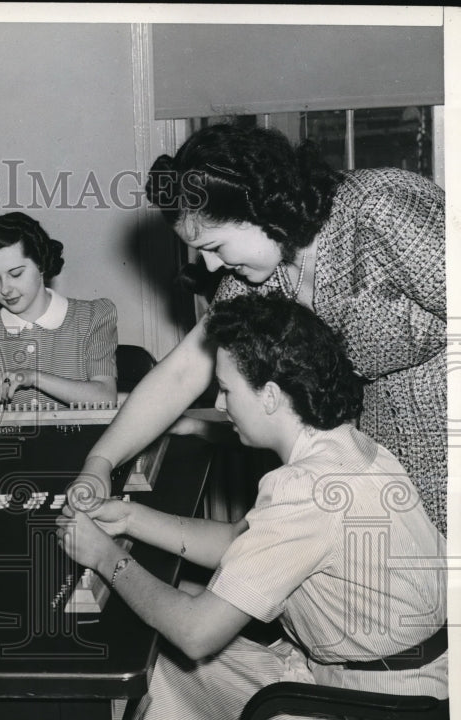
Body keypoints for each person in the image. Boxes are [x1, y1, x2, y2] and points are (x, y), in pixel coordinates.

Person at [58, 293, 446, 720]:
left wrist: (104, 556)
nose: (219, 405)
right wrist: (130, 519)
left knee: (161, 654)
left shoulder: (303, 489)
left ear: (270, 395)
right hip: (411, 696)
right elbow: (241, 545)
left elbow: (196, 634)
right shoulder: (348, 446)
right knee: (164, 632)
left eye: (225, 390)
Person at [71, 124, 446, 536]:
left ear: (259, 209)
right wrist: (100, 462)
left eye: (214, 247)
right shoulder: (258, 275)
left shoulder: (379, 210)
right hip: (385, 443)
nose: (210, 266)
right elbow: (182, 371)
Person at [0, 212, 118, 408]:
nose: (5, 289)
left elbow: (105, 397)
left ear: (40, 264)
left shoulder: (93, 317)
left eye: (16, 274)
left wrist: (32, 377)